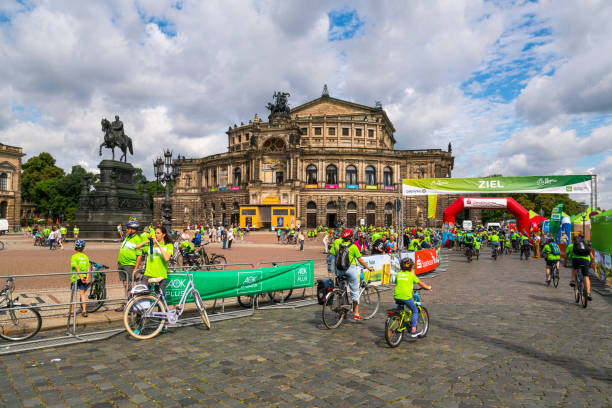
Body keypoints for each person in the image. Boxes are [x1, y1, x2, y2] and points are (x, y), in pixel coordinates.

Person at [332, 229, 375, 320]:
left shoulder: (339, 246)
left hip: (340, 270)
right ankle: (356, 314)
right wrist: (368, 267)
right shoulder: (353, 246)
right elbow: (360, 260)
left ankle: (341, 312)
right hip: (350, 270)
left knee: (341, 291)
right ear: (351, 237)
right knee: (354, 292)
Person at [394, 257, 432, 337]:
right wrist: (427, 287)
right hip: (406, 297)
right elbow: (421, 284)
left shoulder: (398, 274)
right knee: (414, 310)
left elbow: (396, 282)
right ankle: (413, 330)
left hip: (396, 296)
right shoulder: (411, 275)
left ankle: (399, 321)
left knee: (400, 310)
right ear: (411, 267)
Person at [134, 225, 174, 295]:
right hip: (148, 274)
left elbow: (166, 258)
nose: (156, 235)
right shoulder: (151, 246)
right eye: (155, 233)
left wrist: (158, 244)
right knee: (143, 296)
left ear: (163, 235)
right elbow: (137, 247)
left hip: (160, 276)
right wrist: (148, 241)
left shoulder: (168, 245)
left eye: (158, 233)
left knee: (160, 298)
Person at [66, 239, 91, 317]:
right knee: (82, 294)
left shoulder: (74, 257)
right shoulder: (86, 257)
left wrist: (79, 276)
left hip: (76, 278)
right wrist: (87, 278)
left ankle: (72, 312)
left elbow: (76, 268)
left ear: (75, 247)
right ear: (83, 248)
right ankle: (84, 310)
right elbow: (88, 268)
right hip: (84, 277)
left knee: (73, 295)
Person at [568, 235, 592, 300]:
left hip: (576, 260)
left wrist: (566, 263)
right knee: (586, 277)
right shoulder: (586, 245)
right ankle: (588, 293)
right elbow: (592, 257)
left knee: (574, 269)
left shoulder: (572, 245)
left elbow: (568, 255)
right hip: (585, 261)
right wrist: (590, 264)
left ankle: (573, 280)